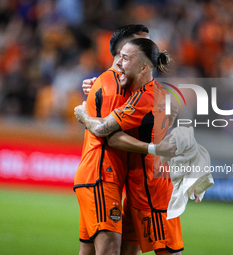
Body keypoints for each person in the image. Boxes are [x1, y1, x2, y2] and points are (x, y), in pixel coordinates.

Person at [75, 38, 184, 255]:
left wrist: (83, 115)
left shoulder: (145, 97)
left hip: (153, 191)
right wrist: (97, 86)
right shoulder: (150, 92)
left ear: (144, 67)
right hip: (138, 189)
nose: (118, 63)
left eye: (125, 58)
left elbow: (108, 134)